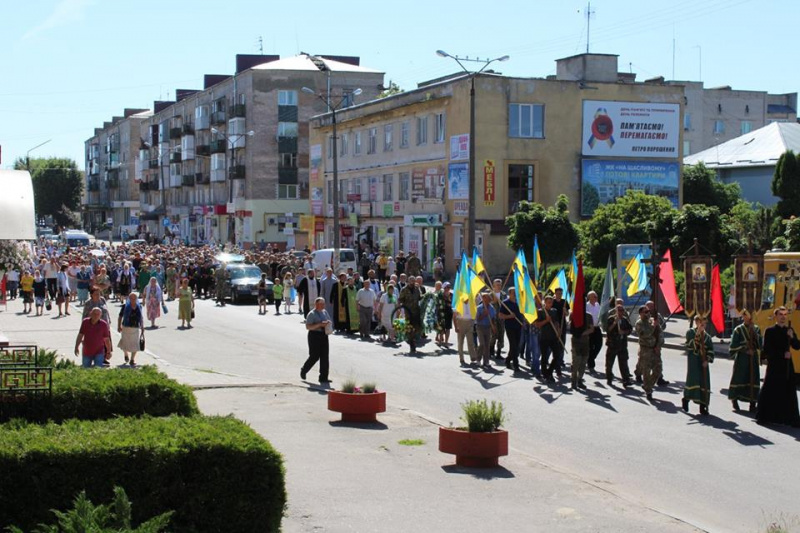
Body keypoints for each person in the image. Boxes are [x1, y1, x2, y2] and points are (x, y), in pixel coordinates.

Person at [756, 306, 800, 427]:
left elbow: (797, 346)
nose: (783, 317)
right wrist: (781, 354)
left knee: (789, 391)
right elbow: (767, 350)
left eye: (785, 315)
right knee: (770, 389)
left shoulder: (789, 330)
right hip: (775, 365)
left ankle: (789, 419)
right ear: (776, 316)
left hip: (786, 366)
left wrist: (792, 336)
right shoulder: (769, 331)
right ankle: (764, 416)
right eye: (781, 314)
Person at [728, 310, 763, 412]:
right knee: (739, 378)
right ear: (743, 316)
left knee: (753, 378)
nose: (748, 317)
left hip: (753, 359)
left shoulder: (756, 328)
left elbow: (759, 344)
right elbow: (733, 346)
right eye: (746, 315)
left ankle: (752, 403)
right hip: (742, 358)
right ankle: (734, 399)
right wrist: (745, 349)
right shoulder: (738, 330)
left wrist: (755, 336)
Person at [682, 316, 715, 415]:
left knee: (704, 383)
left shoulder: (707, 337)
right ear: (696, 322)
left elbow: (710, 350)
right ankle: (686, 399)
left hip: (703, 363)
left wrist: (707, 360)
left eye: (704, 324)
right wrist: (698, 334)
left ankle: (703, 406)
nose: (703, 325)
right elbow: (691, 345)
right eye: (701, 323)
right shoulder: (690, 332)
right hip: (694, 361)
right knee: (693, 381)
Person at [300, 297, 332, 384]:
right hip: (314, 336)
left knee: (325, 356)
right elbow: (308, 327)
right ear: (316, 304)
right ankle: (304, 369)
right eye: (321, 304)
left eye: (324, 303)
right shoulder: (312, 314)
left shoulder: (325, 312)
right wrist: (320, 324)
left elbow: (329, 321)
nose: (323, 305)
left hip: (324, 335)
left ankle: (323, 377)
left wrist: (328, 324)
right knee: (314, 356)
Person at [635, 305, 661, 402]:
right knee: (646, 372)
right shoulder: (639, 323)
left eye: (648, 311)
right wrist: (653, 326)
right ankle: (649, 391)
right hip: (645, 350)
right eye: (645, 312)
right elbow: (645, 335)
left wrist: (659, 345)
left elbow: (660, 333)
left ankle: (648, 386)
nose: (648, 313)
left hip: (654, 350)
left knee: (658, 370)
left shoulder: (652, 321)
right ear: (641, 313)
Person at [605, 304, 634, 386]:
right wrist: (615, 323)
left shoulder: (625, 320)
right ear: (616, 311)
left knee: (623, 363)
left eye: (622, 310)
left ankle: (626, 379)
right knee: (609, 363)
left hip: (622, 345)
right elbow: (608, 330)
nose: (621, 312)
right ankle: (609, 378)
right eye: (619, 310)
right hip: (613, 344)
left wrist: (624, 332)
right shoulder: (611, 319)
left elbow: (630, 329)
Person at [538, 295, 563, 382]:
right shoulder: (541, 311)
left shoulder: (554, 311)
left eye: (551, 302)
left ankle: (549, 371)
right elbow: (537, 324)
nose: (550, 304)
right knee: (544, 357)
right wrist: (546, 320)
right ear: (545, 302)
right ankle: (545, 374)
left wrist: (558, 330)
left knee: (557, 354)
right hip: (544, 337)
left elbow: (556, 322)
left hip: (553, 337)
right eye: (548, 302)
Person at [570, 306, 594, 390]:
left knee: (583, 362)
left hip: (585, 342)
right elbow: (571, 328)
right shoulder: (573, 315)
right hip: (576, 342)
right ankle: (573, 380)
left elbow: (592, 329)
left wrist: (582, 333)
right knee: (576, 361)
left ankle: (580, 379)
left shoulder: (589, 316)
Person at [499, 287, 523, 372]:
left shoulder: (518, 302)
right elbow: (500, 315)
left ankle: (508, 359)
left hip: (518, 326)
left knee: (516, 346)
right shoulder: (505, 303)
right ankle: (516, 365)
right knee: (513, 345)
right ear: (509, 293)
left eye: (516, 292)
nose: (515, 294)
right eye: (513, 292)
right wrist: (509, 316)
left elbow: (521, 314)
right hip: (510, 327)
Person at [118, 293, 145, 366]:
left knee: (135, 344)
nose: (133, 300)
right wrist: (119, 326)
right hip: (126, 327)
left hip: (135, 327)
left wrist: (142, 327)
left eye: (134, 298)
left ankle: (132, 359)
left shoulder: (139, 307)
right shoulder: (125, 306)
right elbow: (120, 316)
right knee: (125, 342)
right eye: (131, 298)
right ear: (128, 299)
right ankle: (126, 354)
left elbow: (141, 318)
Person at [398, 276, 422, 352]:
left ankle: (412, 339)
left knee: (417, 328)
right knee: (410, 328)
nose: (412, 282)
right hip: (408, 312)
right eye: (411, 280)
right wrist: (400, 307)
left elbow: (419, 297)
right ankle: (412, 344)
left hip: (416, 311)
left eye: (413, 280)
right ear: (408, 281)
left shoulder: (417, 289)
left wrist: (426, 296)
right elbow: (400, 299)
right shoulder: (404, 289)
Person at [475, 292, 496, 369]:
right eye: (487, 298)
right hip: (480, 327)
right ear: (483, 299)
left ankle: (486, 361)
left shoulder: (492, 308)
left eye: (489, 298)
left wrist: (493, 326)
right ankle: (478, 359)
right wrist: (484, 314)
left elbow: (493, 318)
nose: (489, 300)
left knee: (487, 345)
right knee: (482, 344)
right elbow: (477, 319)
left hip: (488, 327)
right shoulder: (479, 308)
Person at [585, 291, 603, 373]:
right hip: (589, 328)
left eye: (596, 296)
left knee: (599, 345)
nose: (596, 297)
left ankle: (590, 359)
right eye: (594, 296)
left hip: (597, 328)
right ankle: (591, 365)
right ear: (590, 297)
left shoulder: (597, 304)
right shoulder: (586, 306)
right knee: (590, 346)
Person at [489, 279, 506, 360]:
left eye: (500, 285)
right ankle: (491, 351)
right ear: (493, 285)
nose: (499, 286)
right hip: (493, 318)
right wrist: (493, 301)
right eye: (497, 285)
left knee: (501, 335)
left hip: (501, 318)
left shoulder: (503, 294)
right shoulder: (490, 294)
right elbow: (487, 305)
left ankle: (498, 352)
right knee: (493, 335)